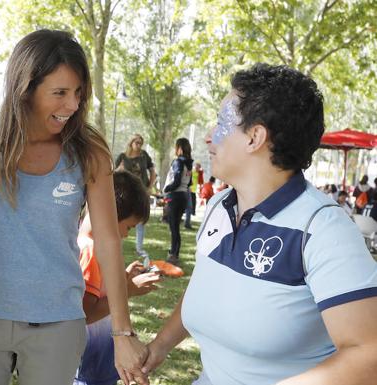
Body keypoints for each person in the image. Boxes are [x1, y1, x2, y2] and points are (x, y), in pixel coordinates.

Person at [0, 30, 148, 385]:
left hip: (57, 320)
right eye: (60, 93)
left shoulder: (89, 152)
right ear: (25, 88)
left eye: (78, 93)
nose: (72, 105)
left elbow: (109, 241)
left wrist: (122, 334)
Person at [142, 64, 377, 384]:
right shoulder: (217, 207)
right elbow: (207, 284)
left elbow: (367, 355)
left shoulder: (323, 231)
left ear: (255, 137)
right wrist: (159, 346)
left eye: (222, 122)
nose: (211, 136)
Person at [74, 170, 160, 385]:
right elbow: (85, 313)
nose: (127, 235)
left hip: (95, 360)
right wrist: (127, 290)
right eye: (128, 226)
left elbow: (98, 290)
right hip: (89, 362)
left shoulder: (85, 242)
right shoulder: (91, 250)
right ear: (111, 213)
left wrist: (122, 278)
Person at [115, 134, 157, 257]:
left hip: (142, 191)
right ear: (131, 142)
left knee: (140, 219)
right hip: (127, 193)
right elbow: (115, 172)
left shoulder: (144, 156)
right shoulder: (123, 157)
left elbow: (153, 171)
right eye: (137, 142)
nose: (139, 145)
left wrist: (149, 187)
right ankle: (117, 245)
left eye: (141, 143)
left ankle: (139, 248)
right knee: (122, 219)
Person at [163, 138, 193, 265]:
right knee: (176, 227)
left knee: (173, 227)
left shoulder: (178, 162)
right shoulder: (189, 163)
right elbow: (189, 182)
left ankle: (173, 255)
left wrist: (166, 189)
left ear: (179, 148)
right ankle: (174, 252)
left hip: (174, 196)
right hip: (183, 196)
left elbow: (176, 181)